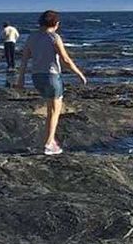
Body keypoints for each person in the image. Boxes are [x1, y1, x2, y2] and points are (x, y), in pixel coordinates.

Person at [16, 10, 87, 155]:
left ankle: (49, 141)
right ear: (56, 24)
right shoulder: (54, 37)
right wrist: (79, 74)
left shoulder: (32, 37)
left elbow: (24, 59)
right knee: (55, 112)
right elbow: (65, 59)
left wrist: (21, 79)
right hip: (52, 76)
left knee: (50, 110)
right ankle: (49, 143)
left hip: (37, 77)